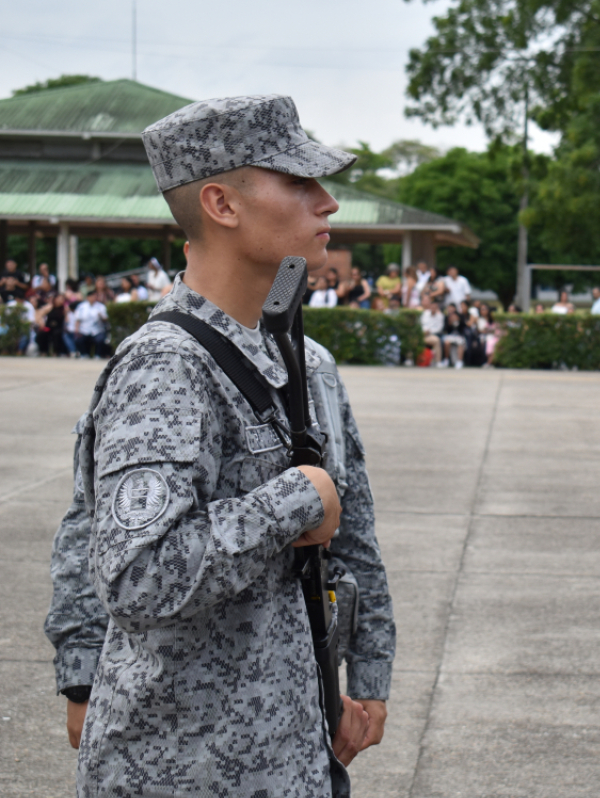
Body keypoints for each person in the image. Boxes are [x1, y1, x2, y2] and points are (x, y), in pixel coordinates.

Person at [44, 94, 393, 798]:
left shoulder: (306, 362)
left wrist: (368, 674)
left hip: (292, 750)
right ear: (221, 205)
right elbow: (137, 571)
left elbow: (352, 535)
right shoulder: (167, 366)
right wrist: (296, 497)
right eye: (298, 183)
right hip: (180, 762)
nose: (326, 203)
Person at [70, 290, 109, 358]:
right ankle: (84, 354)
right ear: (88, 297)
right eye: (91, 296)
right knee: (78, 340)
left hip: (97, 330)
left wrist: (101, 316)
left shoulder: (101, 307)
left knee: (100, 339)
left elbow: (105, 319)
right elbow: (77, 320)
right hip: (84, 330)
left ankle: (98, 355)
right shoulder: (81, 307)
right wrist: (77, 331)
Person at [420, 300, 445, 366]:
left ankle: (438, 361)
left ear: (437, 308)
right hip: (421, 334)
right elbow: (420, 324)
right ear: (430, 307)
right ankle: (410, 360)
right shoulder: (424, 313)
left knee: (437, 340)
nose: (433, 308)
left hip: (430, 335)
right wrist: (424, 331)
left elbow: (439, 328)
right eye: (432, 307)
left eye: (435, 307)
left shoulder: (440, 316)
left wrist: (429, 331)